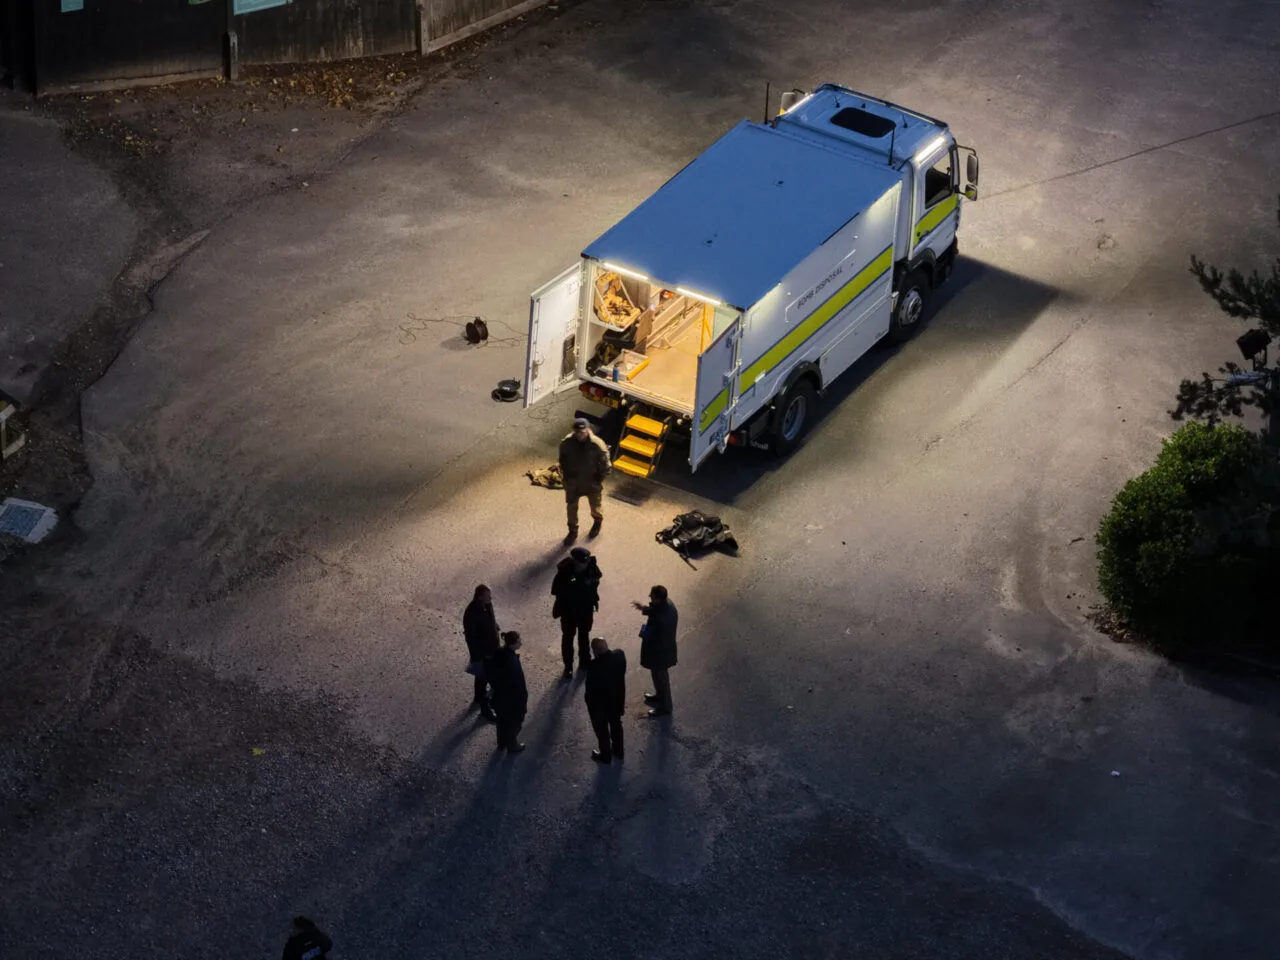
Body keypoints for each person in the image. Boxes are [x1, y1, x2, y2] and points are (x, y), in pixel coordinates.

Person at [551, 546, 602, 679]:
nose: (583, 566)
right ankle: (568, 667)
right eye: (581, 563)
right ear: (574, 561)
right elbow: (556, 590)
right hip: (569, 612)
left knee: (584, 636)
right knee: (568, 638)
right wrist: (573, 582)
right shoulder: (564, 572)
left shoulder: (591, 567)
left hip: (585, 610)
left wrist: (593, 597)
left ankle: (585, 661)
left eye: (585, 563)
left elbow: (596, 580)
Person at [558, 416, 611, 544]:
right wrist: (566, 477)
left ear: (588, 430)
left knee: (595, 507)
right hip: (573, 482)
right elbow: (562, 460)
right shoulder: (567, 443)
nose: (579, 435)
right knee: (571, 508)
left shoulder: (597, 444)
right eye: (577, 432)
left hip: (591, 482)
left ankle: (597, 523)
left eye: (581, 432)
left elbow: (606, 465)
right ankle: (572, 531)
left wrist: (599, 478)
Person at [634, 585, 678, 717]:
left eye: (652, 596)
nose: (649, 597)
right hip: (662, 650)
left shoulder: (661, 618)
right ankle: (659, 696)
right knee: (657, 676)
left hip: (660, 653)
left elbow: (653, 632)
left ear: (658, 599)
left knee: (662, 679)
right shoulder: (666, 605)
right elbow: (655, 610)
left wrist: (643, 634)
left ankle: (665, 707)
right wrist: (643, 608)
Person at [584, 636, 626, 763]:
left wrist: (589, 705)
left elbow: (590, 691)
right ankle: (619, 751)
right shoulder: (619, 656)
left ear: (595, 651)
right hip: (616, 701)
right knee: (616, 726)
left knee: (602, 731)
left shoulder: (593, 667)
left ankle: (605, 755)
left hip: (600, 707)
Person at [462, 584, 500, 721]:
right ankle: (485, 708)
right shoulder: (471, 613)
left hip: (491, 647)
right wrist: (477, 655)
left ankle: (479, 698)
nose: (491, 598)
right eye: (488, 596)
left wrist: (495, 627)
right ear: (480, 597)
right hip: (483, 652)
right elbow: (471, 637)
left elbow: (491, 619)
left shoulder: (487, 605)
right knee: (486, 677)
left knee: (482, 677)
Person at [486, 631, 528, 754]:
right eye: (519, 641)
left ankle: (502, 742)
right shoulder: (510, 660)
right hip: (511, 698)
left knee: (502, 720)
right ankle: (512, 744)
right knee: (514, 721)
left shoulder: (500, 654)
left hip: (500, 697)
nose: (521, 642)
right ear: (513, 644)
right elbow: (516, 682)